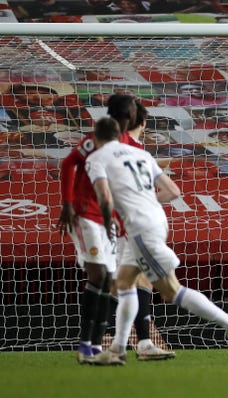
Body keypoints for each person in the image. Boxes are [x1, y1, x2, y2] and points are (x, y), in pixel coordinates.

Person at [86, 117, 228, 365]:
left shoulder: (99, 158)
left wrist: (108, 221)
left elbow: (104, 197)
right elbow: (172, 191)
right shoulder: (139, 153)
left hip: (137, 227)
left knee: (171, 290)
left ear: (97, 138)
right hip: (152, 222)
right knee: (125, 282)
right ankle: (122, 347)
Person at [57, 94, 172, 364]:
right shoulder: (100, 141)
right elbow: (69, 163)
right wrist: (68, 203)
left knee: (111, 280)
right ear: (130, 116)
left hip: (111, 222)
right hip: (90, 216)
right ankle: (92, 346)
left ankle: (97, 347)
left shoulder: (130, 146)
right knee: (104, 278)